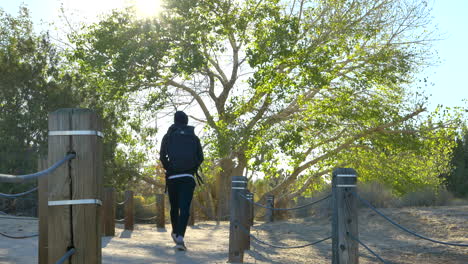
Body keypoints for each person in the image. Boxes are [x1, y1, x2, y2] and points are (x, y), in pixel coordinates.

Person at [160, 111, 204, 251]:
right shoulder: (194, 137)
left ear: (175, 121)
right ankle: (180, 236)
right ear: (186, 122)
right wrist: (192, 169)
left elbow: (162, 156)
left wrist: (169, 168)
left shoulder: (168, 136)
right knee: (185, 208)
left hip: (173, 177)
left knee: (174, 207)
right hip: (188, 178)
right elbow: (200, 157)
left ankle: (174, 232)